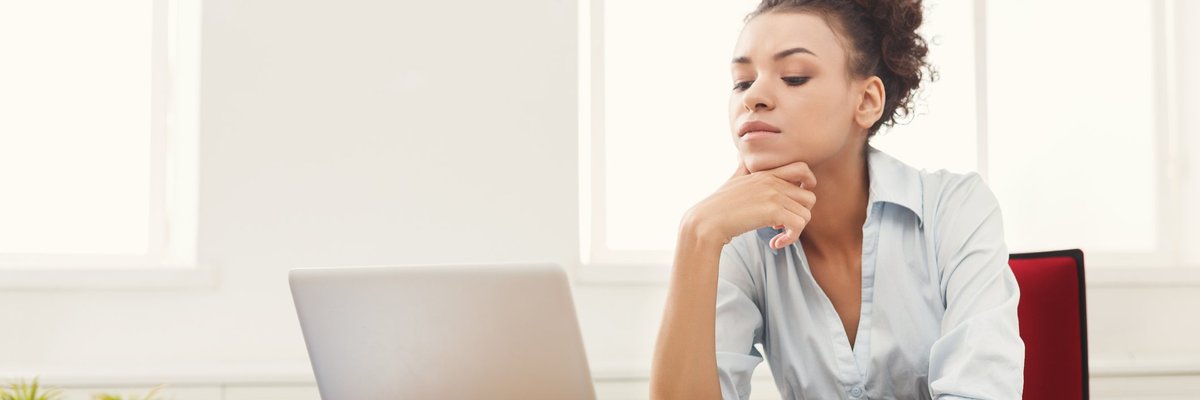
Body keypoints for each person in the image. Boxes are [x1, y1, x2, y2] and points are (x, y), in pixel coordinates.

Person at [649, 1, 1025, 399]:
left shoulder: (955, 209)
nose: (753, 96)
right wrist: (697, 236)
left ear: (866, 101)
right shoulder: (736, 241)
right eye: (742, 81)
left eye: (793, 77)